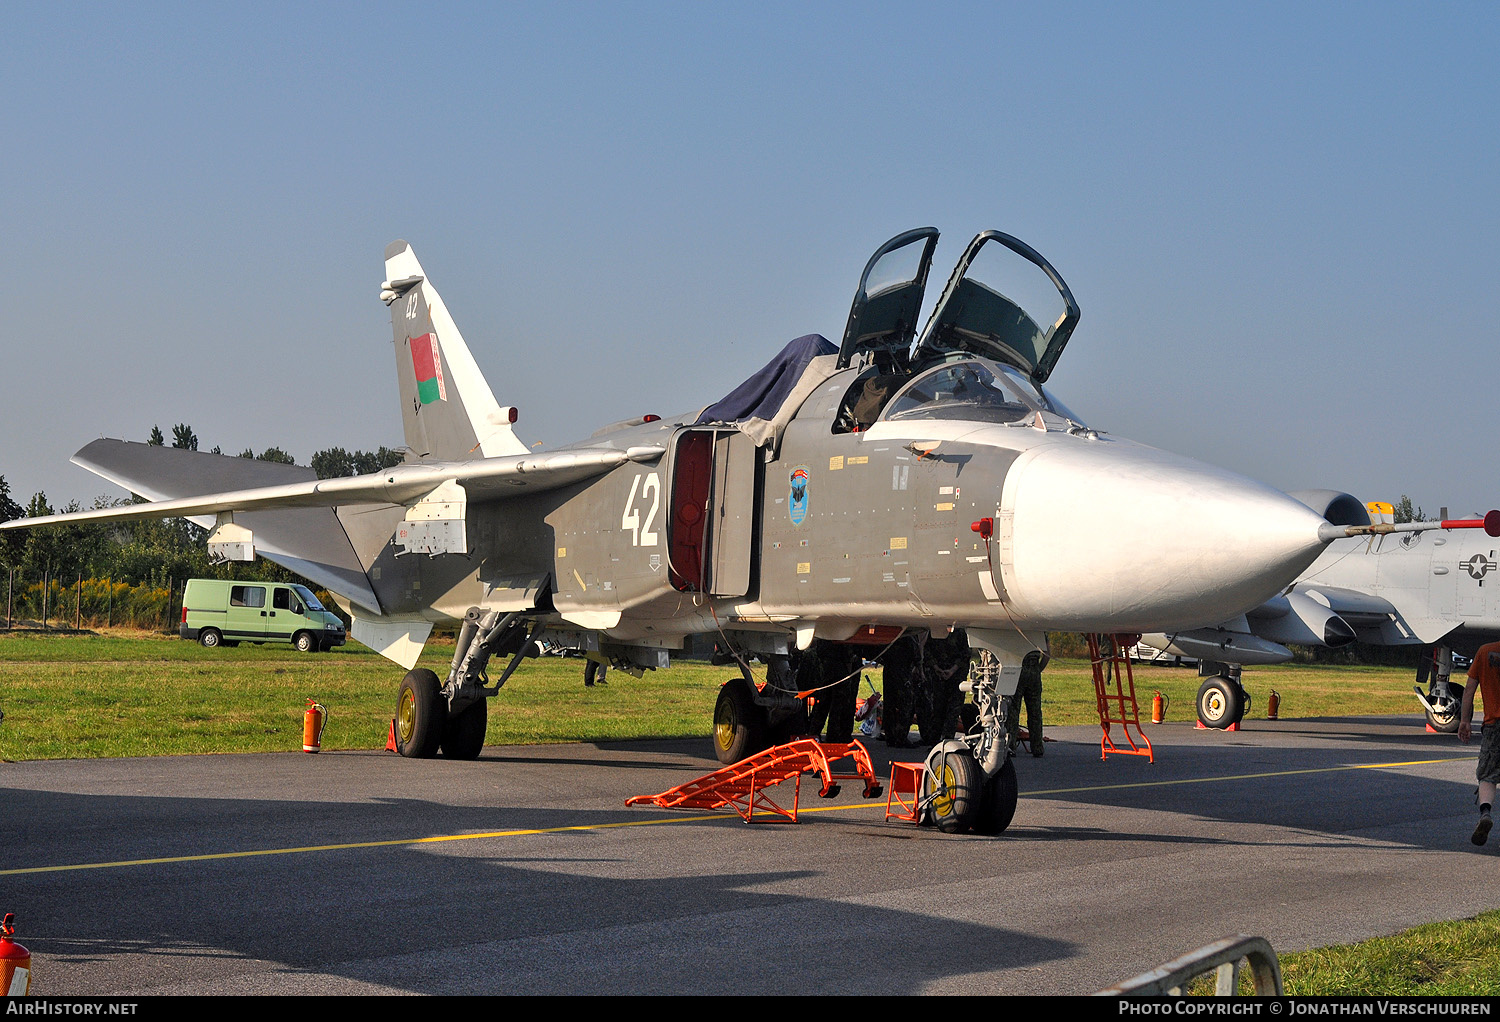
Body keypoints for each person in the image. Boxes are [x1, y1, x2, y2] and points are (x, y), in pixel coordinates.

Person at [1459, 643, 1500, 846]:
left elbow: (1469, 689)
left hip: (1493, 725)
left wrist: (1465, 721)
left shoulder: (1484, 652)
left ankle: (1485, 812)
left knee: (1487, 776)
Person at [1007, 648, 1049, 757]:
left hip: (1018, 670)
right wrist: (1038, 670)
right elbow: (1047, 654)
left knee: (1013, 711)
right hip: (1034, 671)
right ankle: (1037, 747)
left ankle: (1011, 746)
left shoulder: (1019, 631)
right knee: (1035, 712)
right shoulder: (1039, 631)